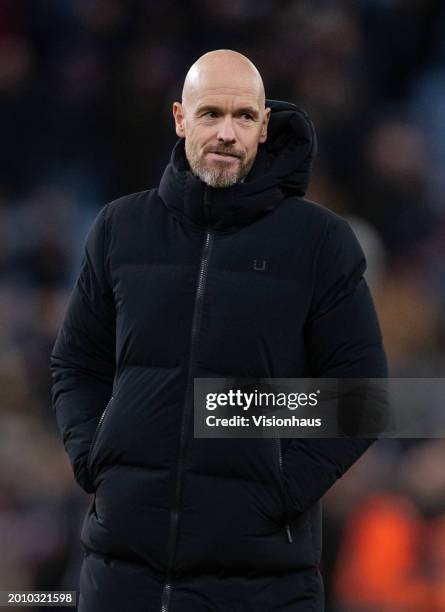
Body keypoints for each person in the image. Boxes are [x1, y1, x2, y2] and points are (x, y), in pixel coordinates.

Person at [50, 49, 387, 611]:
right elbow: (76, 364)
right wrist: (94, 457)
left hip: (262, 584)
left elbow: (362, 395)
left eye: (244, 117)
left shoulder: (320, 241)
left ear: (263, 127)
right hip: (120, 575)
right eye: (211, 115)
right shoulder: (119, 228)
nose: (227, 133)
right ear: (180, 119)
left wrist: (276, 478)